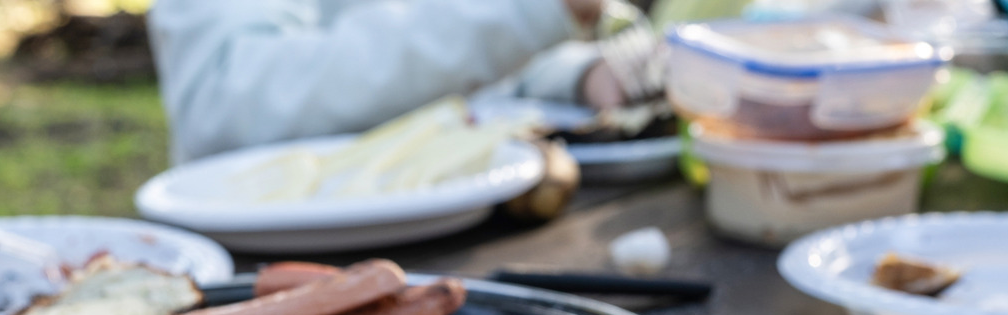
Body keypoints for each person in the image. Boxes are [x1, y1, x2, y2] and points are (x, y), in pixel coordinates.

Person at [148, 0, 662, 162]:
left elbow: (449, 71)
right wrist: (525, 12)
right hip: (278, 284)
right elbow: (230, 98)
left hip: (462, 255)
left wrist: (580, 74)